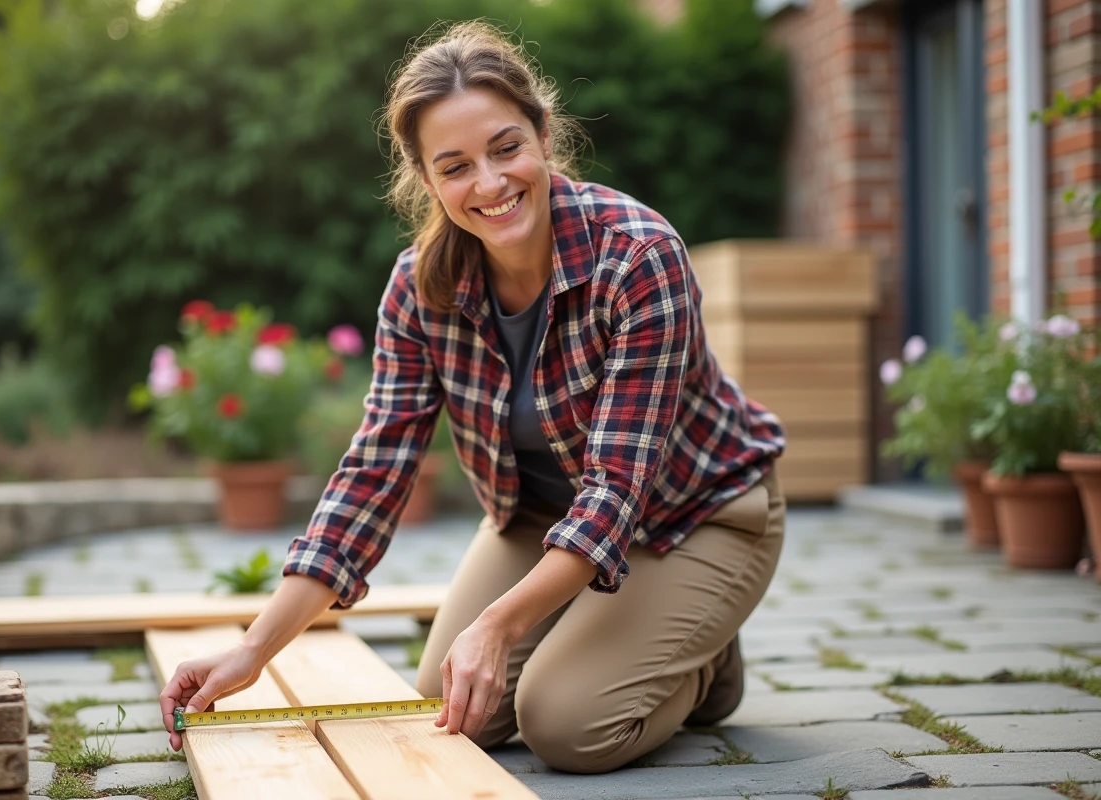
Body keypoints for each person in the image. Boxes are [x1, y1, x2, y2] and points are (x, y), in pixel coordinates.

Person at [158, 19, 787, 775]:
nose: (488, 184)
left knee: (566, 725)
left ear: (544, 134)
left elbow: (618, 492)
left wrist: (496, 624)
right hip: (540, 515)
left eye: (506, 148)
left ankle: (700, 660)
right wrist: (253, 648)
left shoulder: (640, 258)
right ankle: (636, 634)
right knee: (458, 710)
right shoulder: (420, 290)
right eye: (454, 166)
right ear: (427, 180)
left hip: (696, 514)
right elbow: (373, 476)